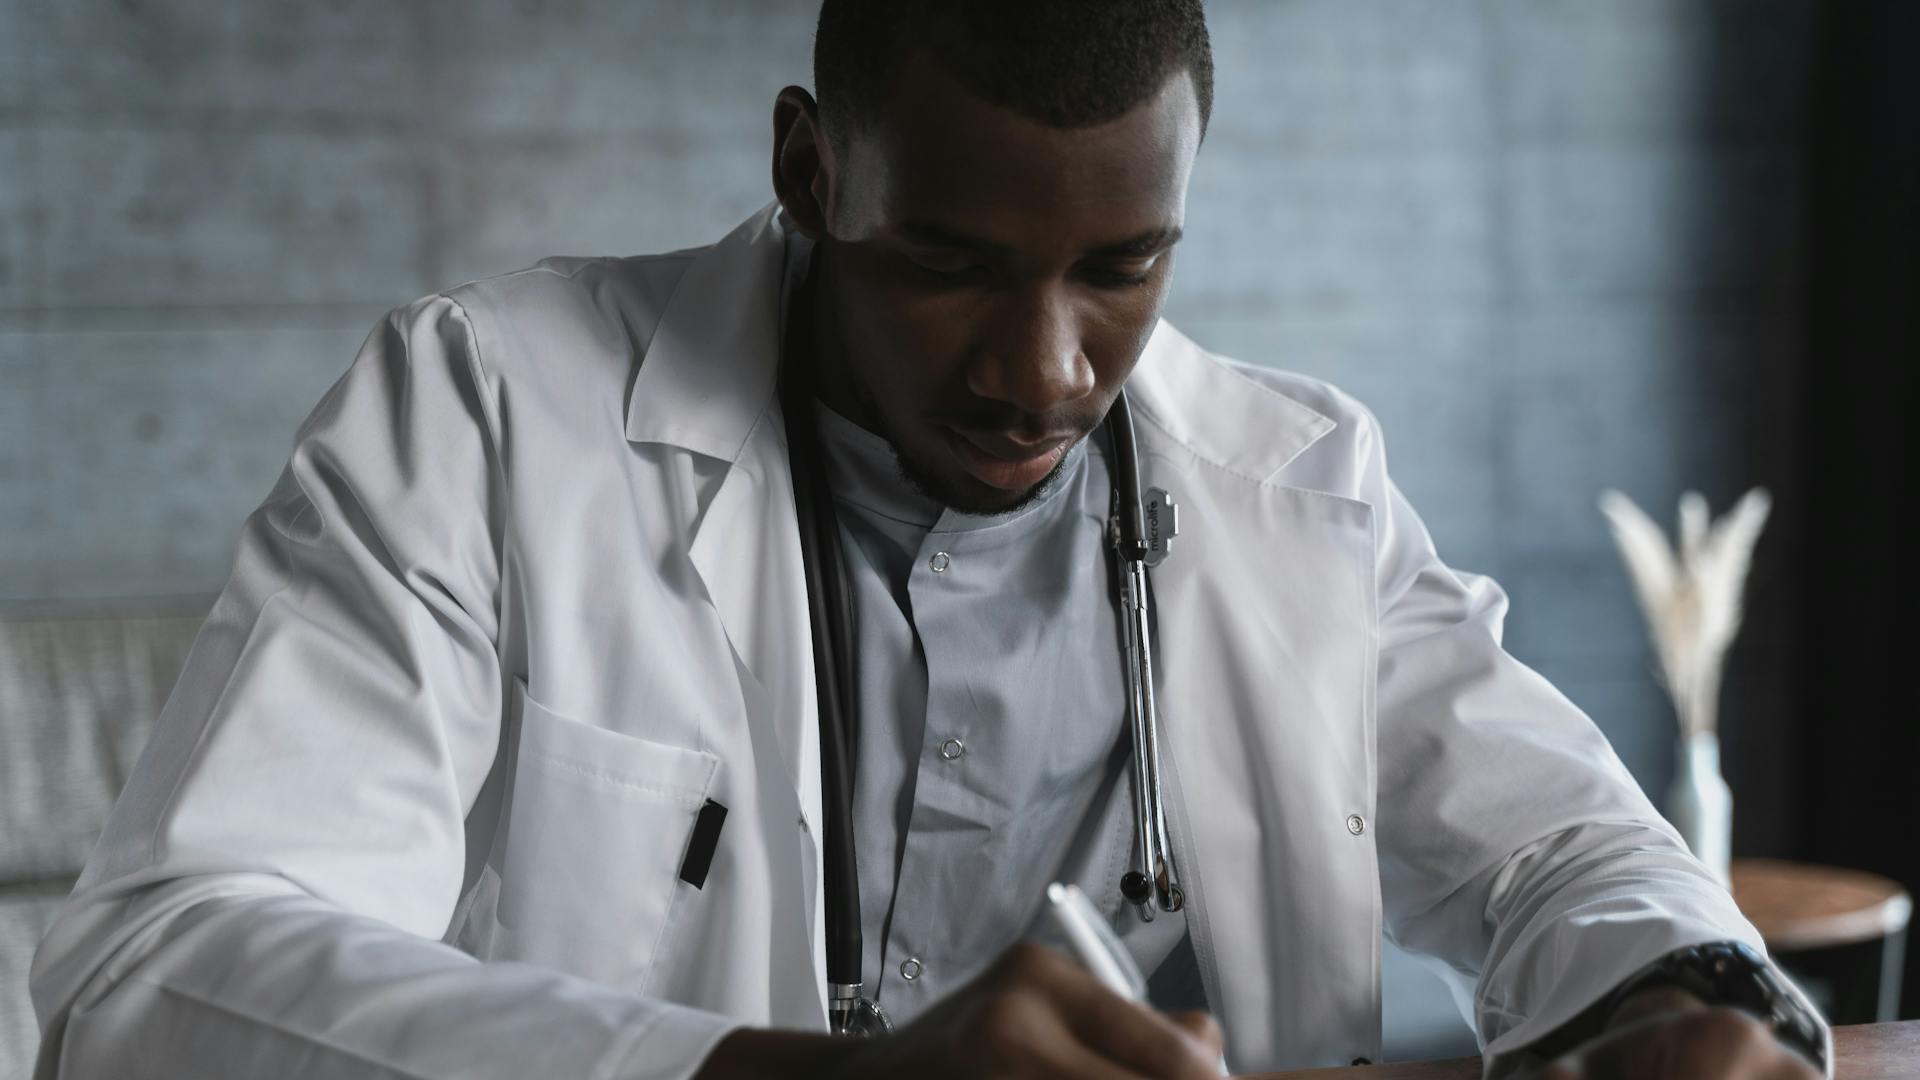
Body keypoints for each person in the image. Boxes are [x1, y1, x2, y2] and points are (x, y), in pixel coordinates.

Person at [31, 2, 1829, 1078]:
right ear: (814, 169)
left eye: (1122, 270)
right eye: (956, 262)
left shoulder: (1297, 485)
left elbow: (1564, 852)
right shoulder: (489, 415)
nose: (1044, 372)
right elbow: (154, 981)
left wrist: (1678, 995)